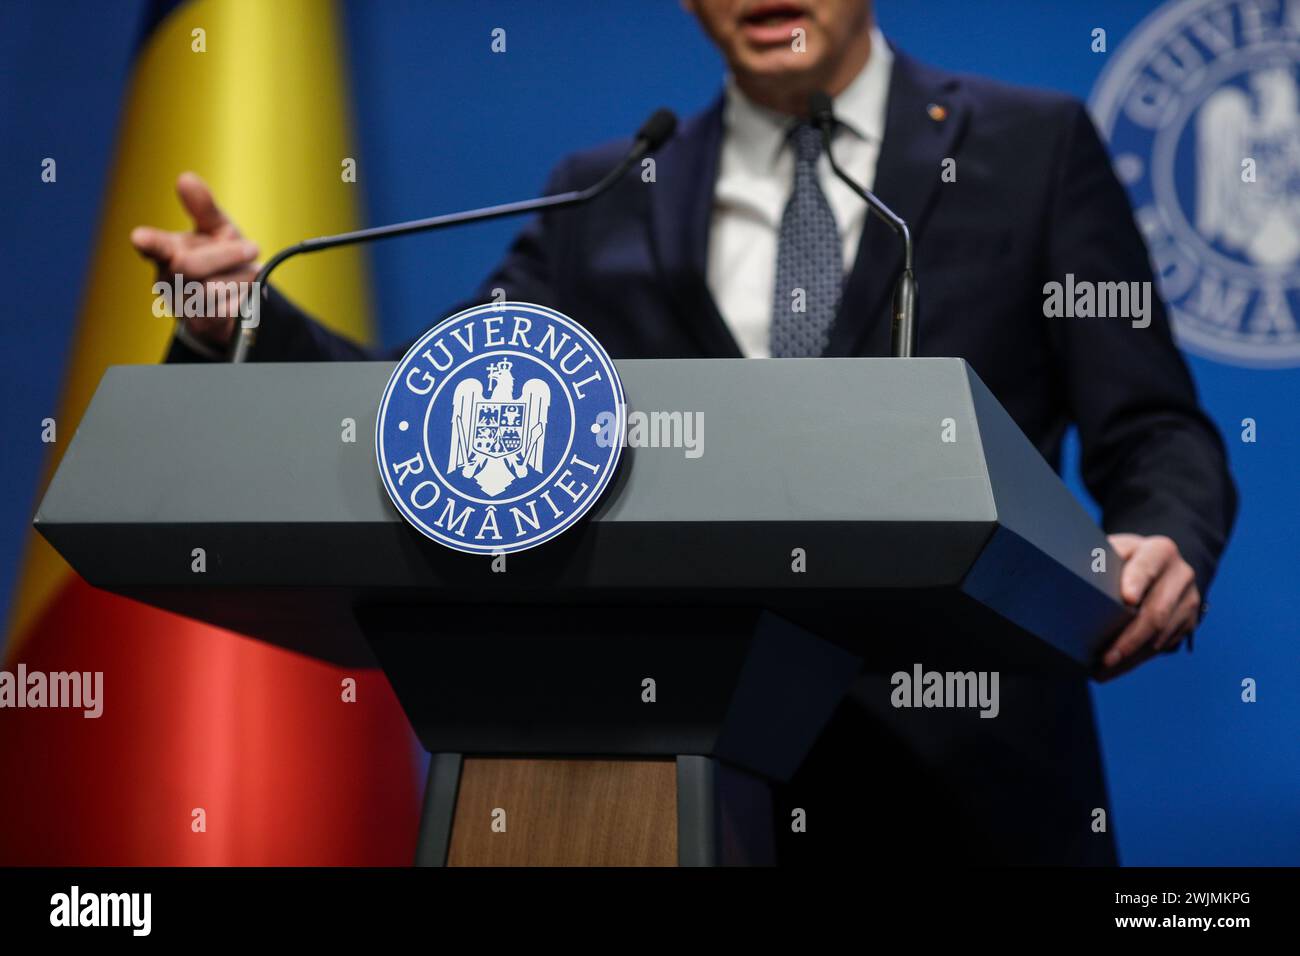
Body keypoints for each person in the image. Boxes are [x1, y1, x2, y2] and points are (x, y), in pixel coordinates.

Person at [130, 0, 1236, 864]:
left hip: (971, 774)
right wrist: (250, 321)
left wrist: (1165, 535)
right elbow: (428, 405)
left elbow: (1154, 429)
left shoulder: (1031, 149)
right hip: (676, 788)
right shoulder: (606, 191)